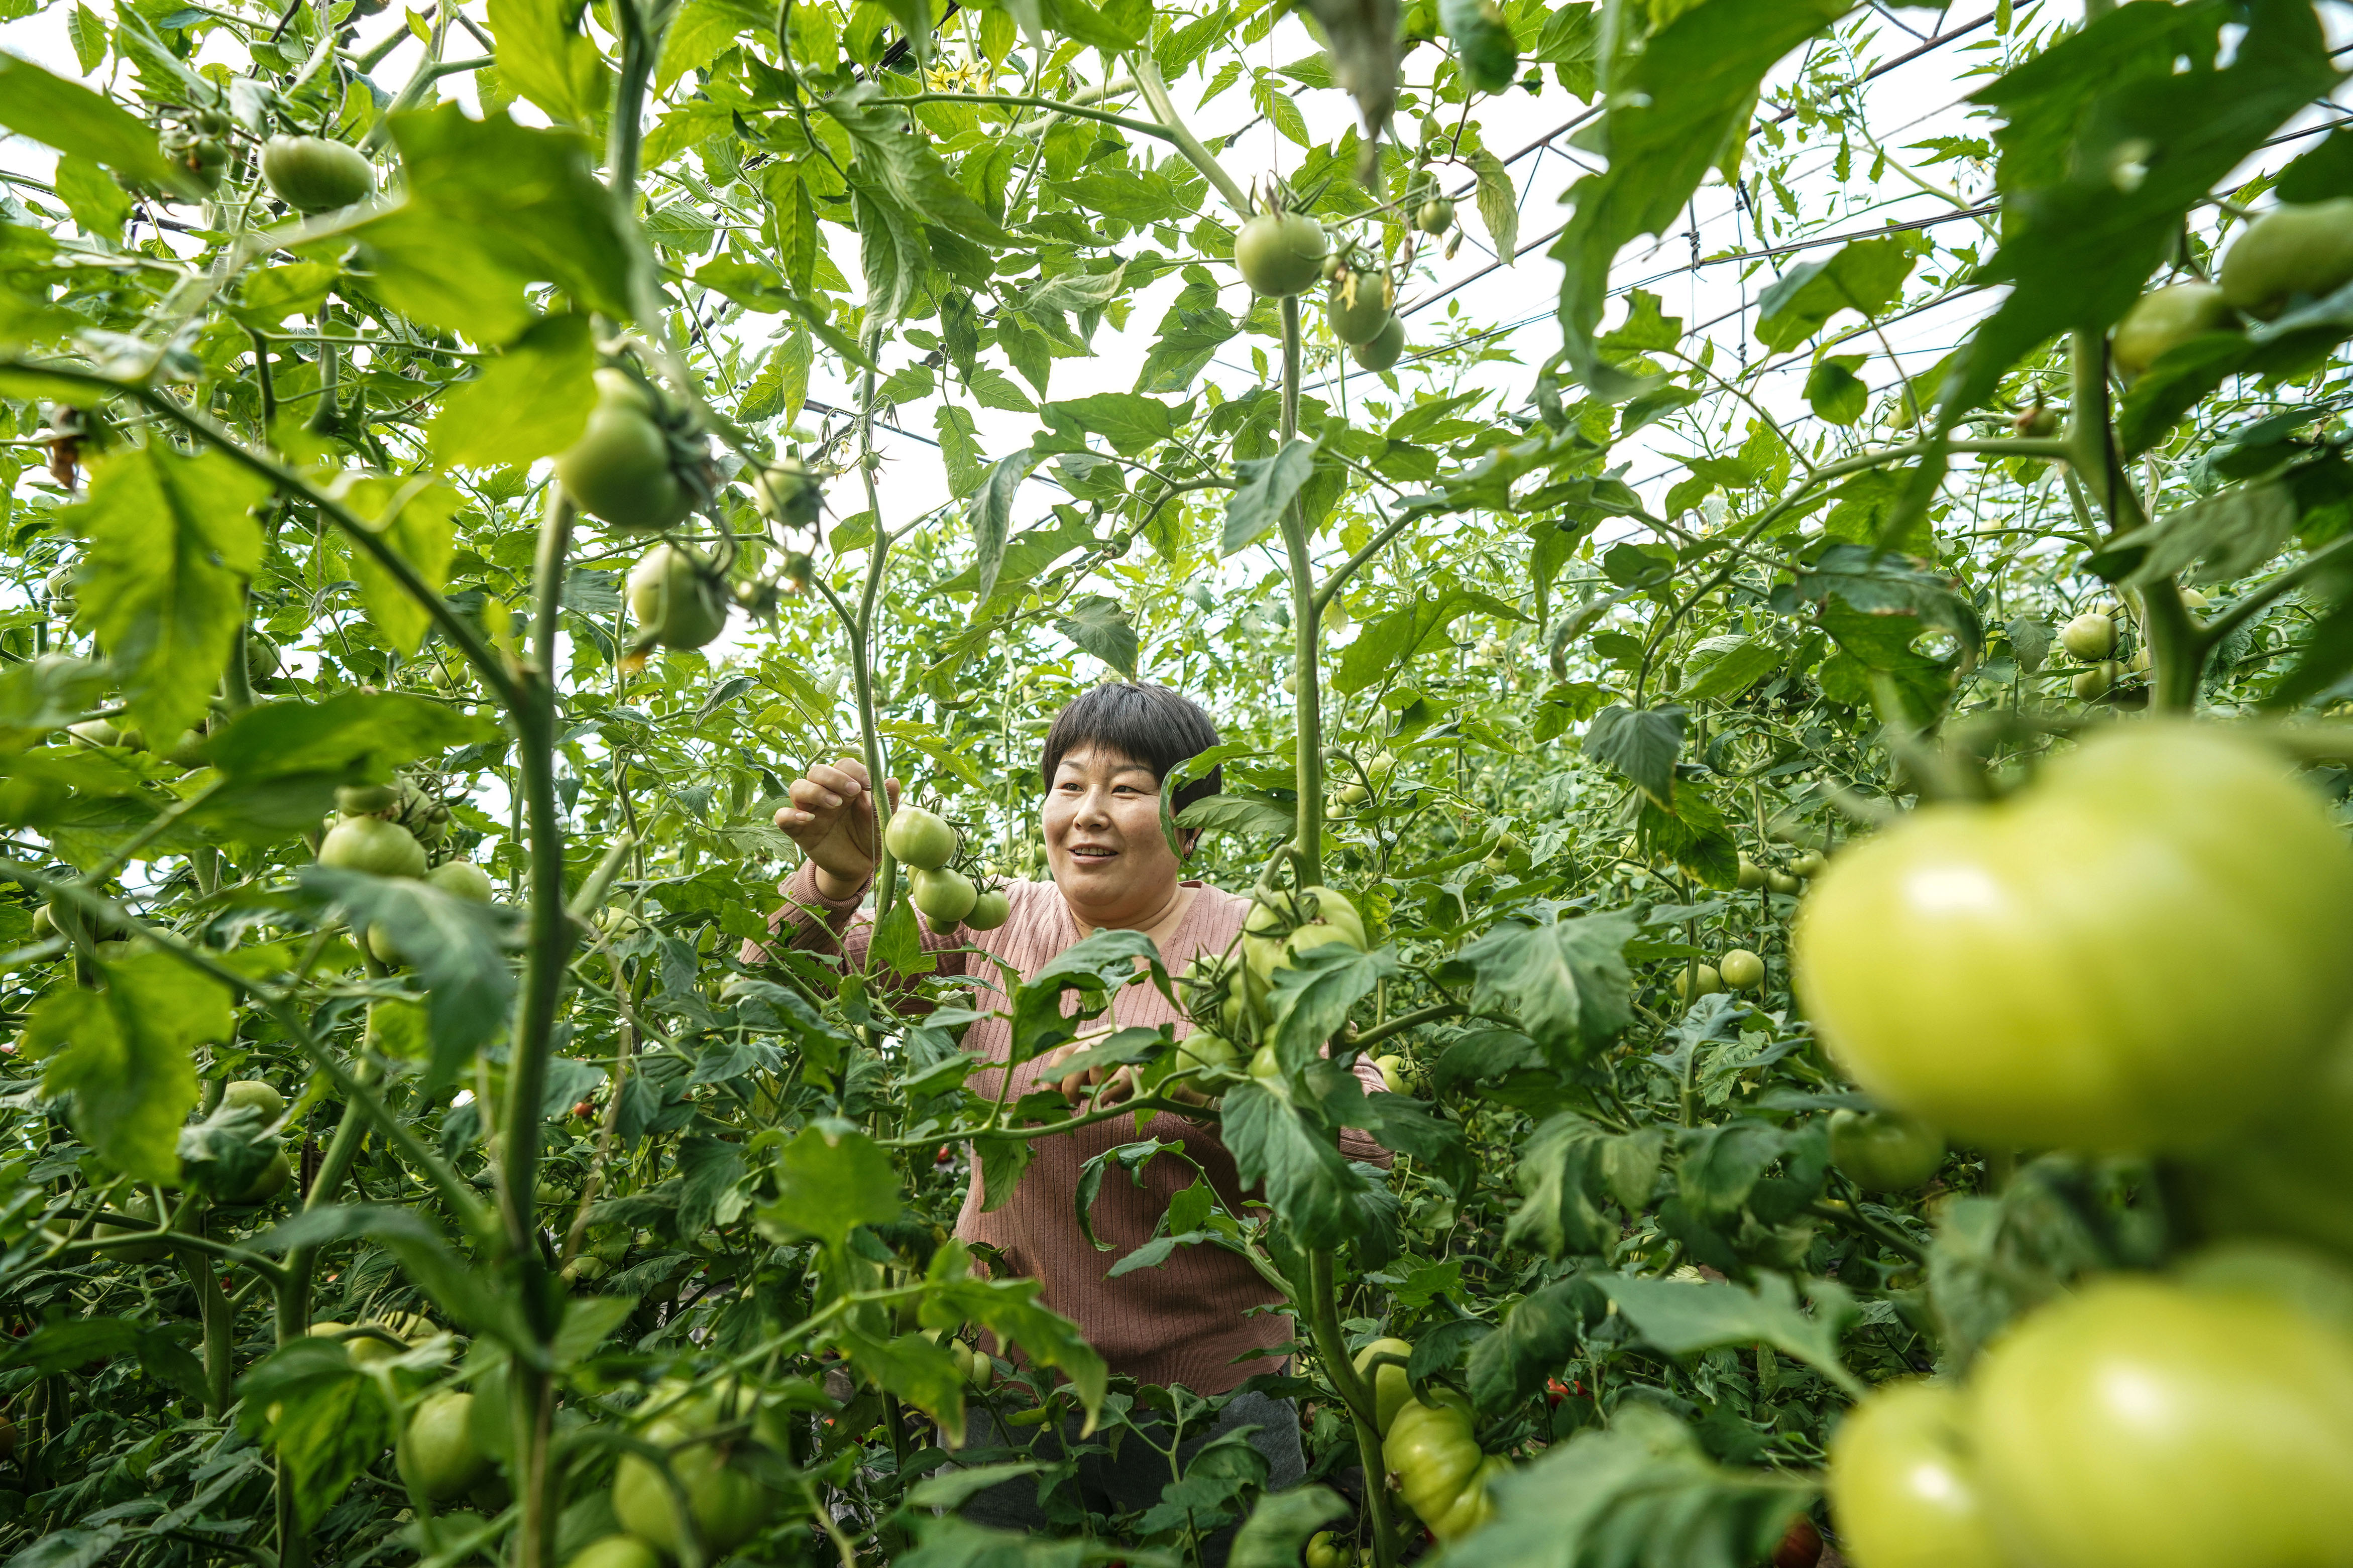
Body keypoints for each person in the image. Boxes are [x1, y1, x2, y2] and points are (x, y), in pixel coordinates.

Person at [751, 682, 1390, 1545]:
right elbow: (779, 985)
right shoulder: (985, 923)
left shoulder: (1256, 942)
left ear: (1190, 824)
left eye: (1126, 789)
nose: (1088, 812)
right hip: (1007, 1392)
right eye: (1069, 785)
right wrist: (834, 878)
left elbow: (1365, 1142)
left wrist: (1212, 1089)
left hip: (1208, 1402)